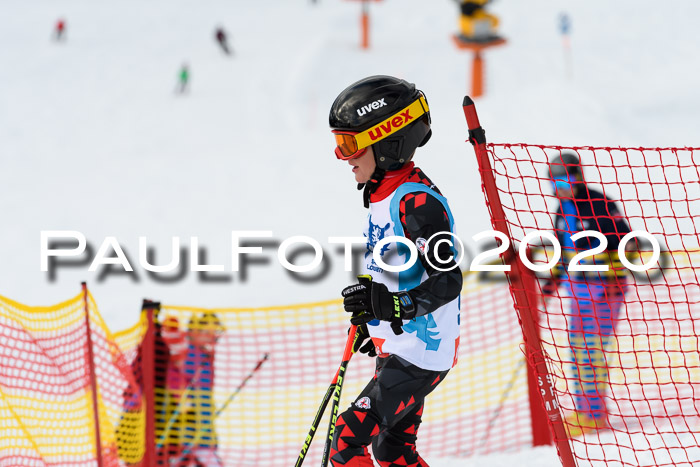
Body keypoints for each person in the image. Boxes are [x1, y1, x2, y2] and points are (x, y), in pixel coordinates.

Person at [328, 75, 463, 466]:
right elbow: (392, 269)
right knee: (393, 451)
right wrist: (374, 320)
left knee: (346, 441)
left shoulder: (417, 202)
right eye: (340, 143)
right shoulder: (382, 193)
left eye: (350, 144)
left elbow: (447, 280)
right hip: (399, 346)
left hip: (420, 354)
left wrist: (394, 309)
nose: (344, 156)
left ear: (388, 142)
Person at [543, 151, 631, 437]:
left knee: (591, 350)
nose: (561, 186)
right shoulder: (561, 209)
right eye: (555, 180)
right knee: (578, 349)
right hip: (577, 289)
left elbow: (625, 241)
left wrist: (616, 274)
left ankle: (594, 414)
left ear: (578, 176)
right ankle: (585, 410)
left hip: (604, 288)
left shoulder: (597, 203)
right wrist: (552, 282)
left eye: (565, 178)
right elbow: (561, 249)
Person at [168, 312, 225, 467]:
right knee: (188, 427)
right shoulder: (186, 348)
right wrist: (180, 393)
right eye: (207, 333)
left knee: (206, 422)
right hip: (190, 398)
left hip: (204, 396)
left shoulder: (205, 350)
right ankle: (189, 456)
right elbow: (173, 372)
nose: (212, 337)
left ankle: (206, 453)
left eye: (215, 333)